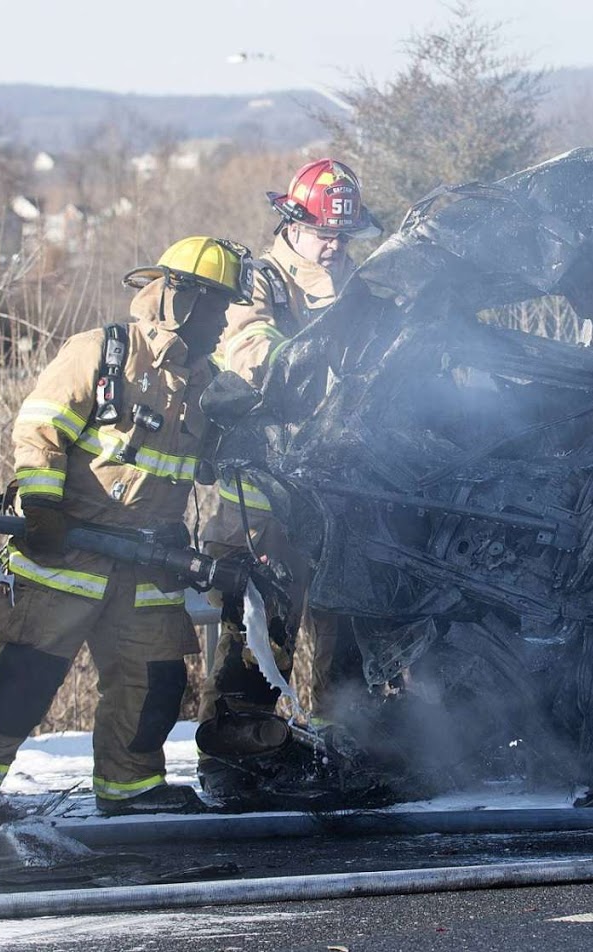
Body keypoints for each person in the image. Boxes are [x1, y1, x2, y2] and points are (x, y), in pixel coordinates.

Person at [0, 237, 252, 827]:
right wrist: (42, 505)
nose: (221, 321)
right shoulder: (100, 353)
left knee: (154, 680)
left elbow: (218, 463)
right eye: (213, 306)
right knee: (21, 675)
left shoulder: (207, 384)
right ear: (177, 300)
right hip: (68, 550)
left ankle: (130, 788)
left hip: (150, 561)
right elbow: (40, 431)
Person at [194, 158, 380, 804]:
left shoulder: (356, 284)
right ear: (293, 223)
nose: (333, 247)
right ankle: (235, 760)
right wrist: (311, 355)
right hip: (263, 486)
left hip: (338, 484)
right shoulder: (257, 282)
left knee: (346, 617)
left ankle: (340, 747)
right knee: (258, 626)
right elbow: (251, 352)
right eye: (324, 234)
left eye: (342, 238)